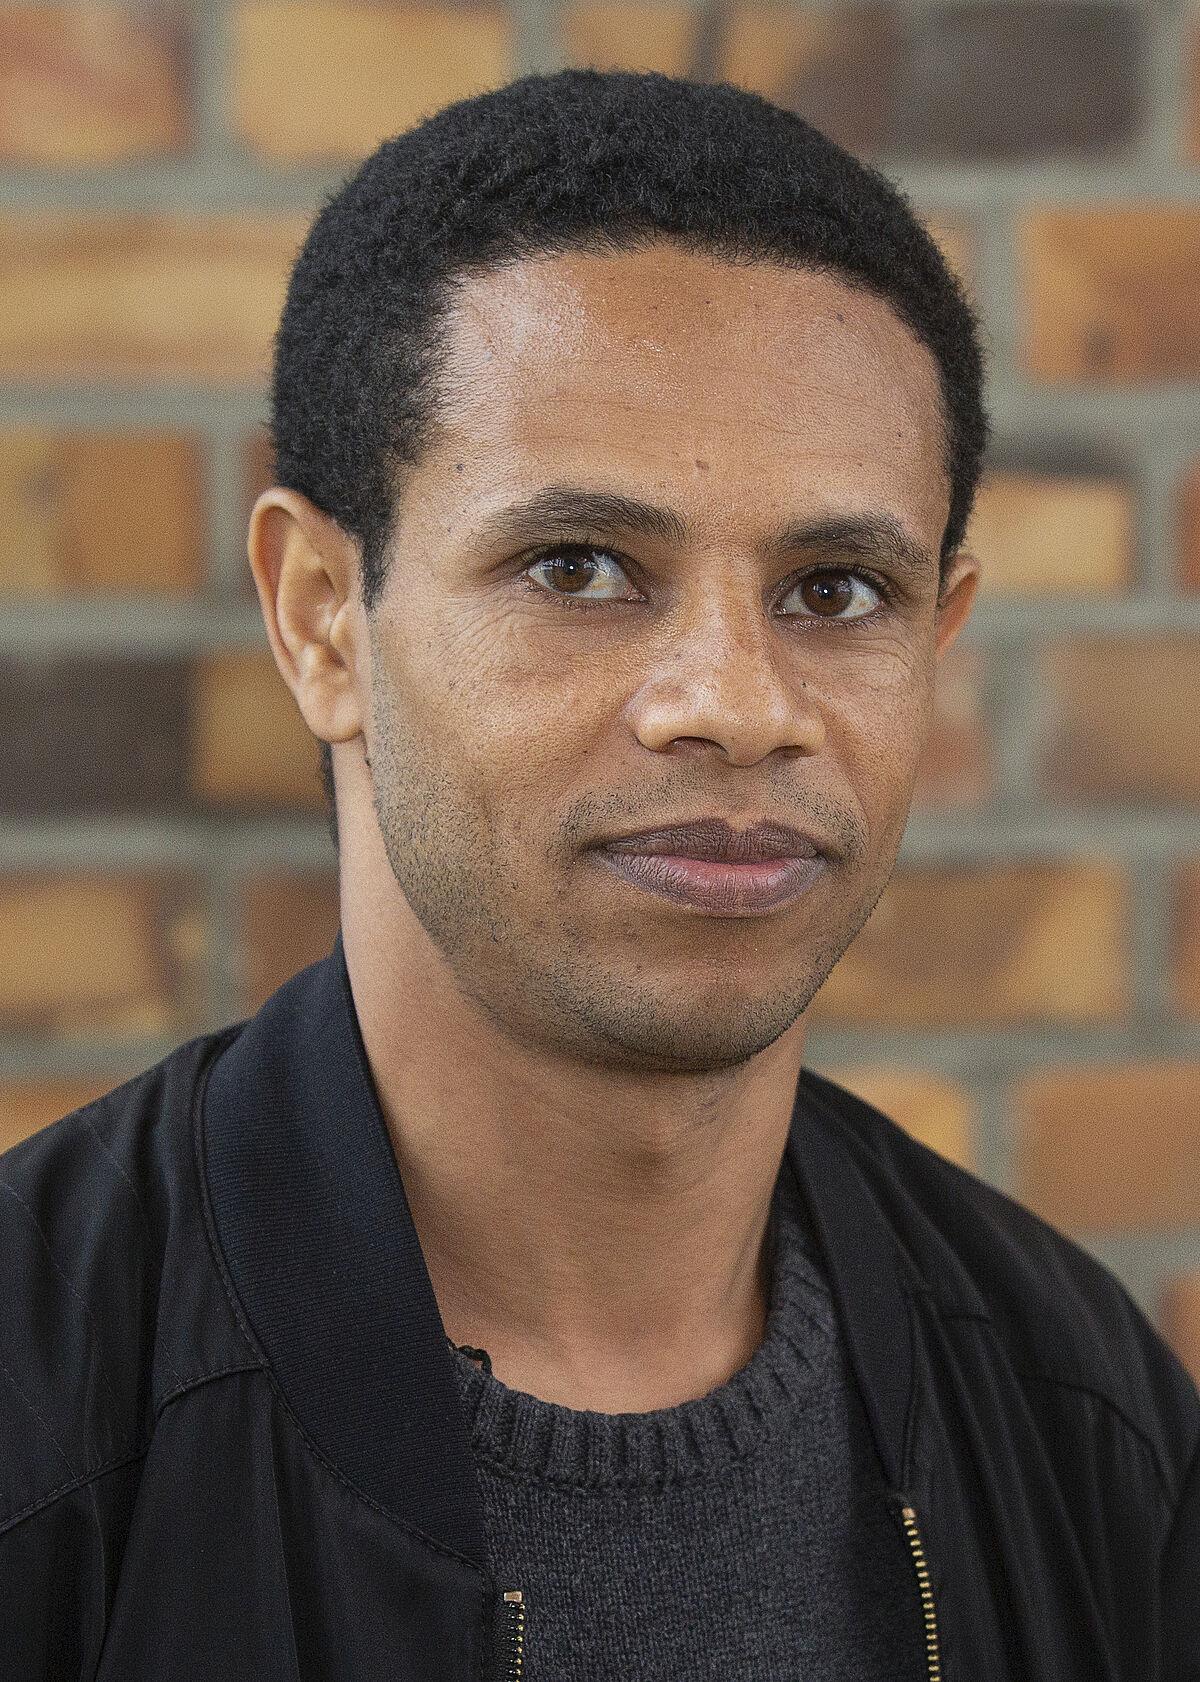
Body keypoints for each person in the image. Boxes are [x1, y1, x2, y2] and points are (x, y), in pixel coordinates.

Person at [0, 68, 1195, 1682]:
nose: (737, 701)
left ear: (942, 637)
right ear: (321, 617)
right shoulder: (40, 1407)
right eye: (580, 568)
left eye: (836, 588)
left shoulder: (1091, 1427)